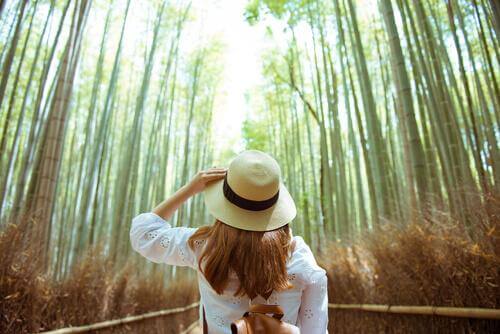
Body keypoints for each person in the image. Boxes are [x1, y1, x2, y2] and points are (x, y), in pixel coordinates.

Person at [130, 150, 328, 333]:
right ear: (276, 208)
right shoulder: (299, 255)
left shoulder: (203, 246)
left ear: (223, 205)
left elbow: (143, 234)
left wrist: (189, 189)